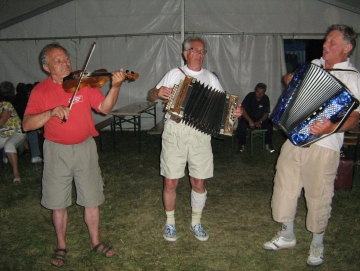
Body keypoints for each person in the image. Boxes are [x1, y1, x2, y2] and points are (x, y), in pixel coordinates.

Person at [262, 24, 360, 267]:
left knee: (319, 195)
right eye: (326, 41)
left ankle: (317, 244)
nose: (325, 46)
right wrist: (289, 79)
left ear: (347, 49)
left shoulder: (353, 78)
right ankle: (287, 235)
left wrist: (329, 127)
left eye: (332, 43)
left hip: (325, 145)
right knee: (285, 185)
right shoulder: (313, 66)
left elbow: (354, 117)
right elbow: (291, 83)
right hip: (295, 137)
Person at [22, 42, 126, 267]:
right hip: (56, 151)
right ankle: (61, 245)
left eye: (66, 58)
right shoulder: (40, 91)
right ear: (46, 67)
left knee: (92, 198)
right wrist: (50, 112)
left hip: (85, 148)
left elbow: (105, 108)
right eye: (57, 61)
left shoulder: (84, 84)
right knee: (58, 202)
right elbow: (27, 124)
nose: (65, 63)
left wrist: (115, 87)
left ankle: (95, 241)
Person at [147, 36, 243, 242]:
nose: (199, 54)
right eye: (195, 50)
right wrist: (158, 92)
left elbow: (222, 109)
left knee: (199, 181)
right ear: (185, 53)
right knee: (171, 180)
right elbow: (150, 95)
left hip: (201, 134)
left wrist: (233, 114)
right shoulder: (174, 73)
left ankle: (196, 222)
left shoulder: (211, 79)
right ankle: (170, 223)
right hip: (175, 131)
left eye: (202, 51)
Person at [236, 83, 275, 153]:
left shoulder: (265, 98)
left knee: (269, 123)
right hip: (248, 118)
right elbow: (243, 109)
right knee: (242, 125)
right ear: (255, 90)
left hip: (259, 119)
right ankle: (241, 145)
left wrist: (260, 121)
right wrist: (250, 121)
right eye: (258, 93)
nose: (259, 95)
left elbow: (266, 113)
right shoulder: (249, 96)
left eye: (261, 93)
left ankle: (268, 144)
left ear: (264, 92)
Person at [0, 81, 25, 184]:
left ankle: (16, 174)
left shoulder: (7, 105)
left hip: (17, 133)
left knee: (9, 145)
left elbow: (1, 121)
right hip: (3, 135)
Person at [12, 82, 43, 163]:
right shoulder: (26, 100)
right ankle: (35, 156)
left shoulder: (13, 100)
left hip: (13, 126)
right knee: (32, 134)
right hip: (21, 125)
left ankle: (6, 157)